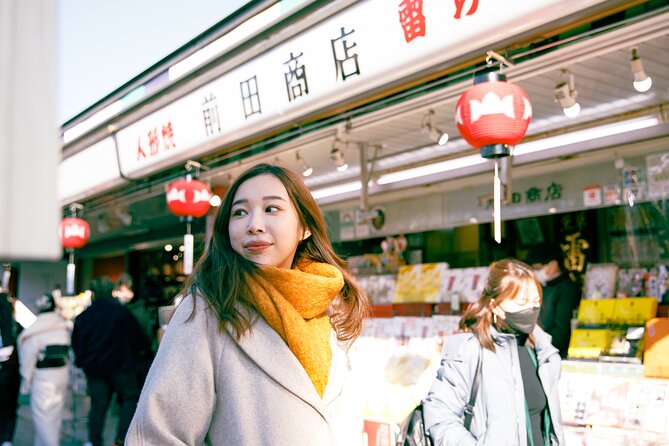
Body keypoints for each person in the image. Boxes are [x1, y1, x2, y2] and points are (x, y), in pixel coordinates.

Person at [126, 163, 370, 445]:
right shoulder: (208, 310)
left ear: (304, 227)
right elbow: (157, 436)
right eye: (239, 212)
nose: (254, 224)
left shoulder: (330, 305)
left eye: (271, 209)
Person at [423, 259, 564, 446]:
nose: (530, 309)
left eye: (536, 302)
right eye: (521, 302)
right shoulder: (470, 350)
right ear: (495, 305)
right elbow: (440, 415)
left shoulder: (540, 350)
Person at [71, 276, 151, 446]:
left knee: (98, 405)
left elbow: (76, 343)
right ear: (111, 291)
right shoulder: (121, 311)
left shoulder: (84, 316)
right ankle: (121, 438)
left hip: (94, 369)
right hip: (120, 366)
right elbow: (138, 338)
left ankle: (93, 441)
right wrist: (143, 352)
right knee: (129, 398)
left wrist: (82, 362)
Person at [17, 293, 71, 446]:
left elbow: (28, 359)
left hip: (44, 380)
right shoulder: (62, 326)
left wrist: (26, 382)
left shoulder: (36, 330)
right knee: (54, 417)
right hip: (61, 376)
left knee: (43, 418)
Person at [525, 242, 582, 358]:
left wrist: (539, 348)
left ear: (552, 265)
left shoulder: (567, 289)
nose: (535, 272)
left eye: (537, 268)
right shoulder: (543, 286)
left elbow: (562, 331)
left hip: (554, 355)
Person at [112, 273, 155, 387]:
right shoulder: (114, 310)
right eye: (121, 291)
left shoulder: (140, 310)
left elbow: (147, 336)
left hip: (136, 363)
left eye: (127, 291)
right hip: (120, 364)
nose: (124, 295)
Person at [0, 292, 20, 446]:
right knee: (7, 406)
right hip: (8, 365)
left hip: (7, 364)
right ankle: (6, 439)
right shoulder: (5, 304)